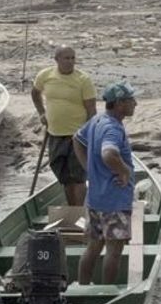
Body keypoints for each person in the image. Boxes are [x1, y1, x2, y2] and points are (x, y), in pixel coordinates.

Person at [73, 82, 139, 286]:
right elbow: (109, 153)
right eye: (131, 100)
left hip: (95, 200)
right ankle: (107, 292)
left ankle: (83, 288)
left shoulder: (97, 120)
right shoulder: (112, 128)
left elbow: (77, 139)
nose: (135, 103)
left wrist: (89, 169)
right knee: (114, 252)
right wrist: (125, 171)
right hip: (114, 201)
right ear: (119, 104)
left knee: (93, 247)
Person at [31, 46, 97, 207]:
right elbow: (35, 93)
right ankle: (72, 209)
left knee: (78, 176)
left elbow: (91, 110)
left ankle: (79, 212)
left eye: (72, 58)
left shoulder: (83, 79)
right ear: (57, 60)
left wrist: (89, 134)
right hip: (54, 133)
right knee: (65, 176)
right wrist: (41, 112)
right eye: (66, 58)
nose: (70, 61)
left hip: (77, 136)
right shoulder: (45, 75)